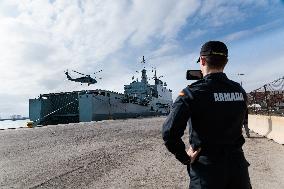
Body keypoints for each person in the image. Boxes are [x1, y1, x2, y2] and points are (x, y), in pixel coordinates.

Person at [162, 41, 251, 189]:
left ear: (202, 60)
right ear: (226, 62)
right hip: (238, 168)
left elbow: (169, 132)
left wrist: (184, 158)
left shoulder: (190, 92)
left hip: (207, 171)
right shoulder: (239, 91)